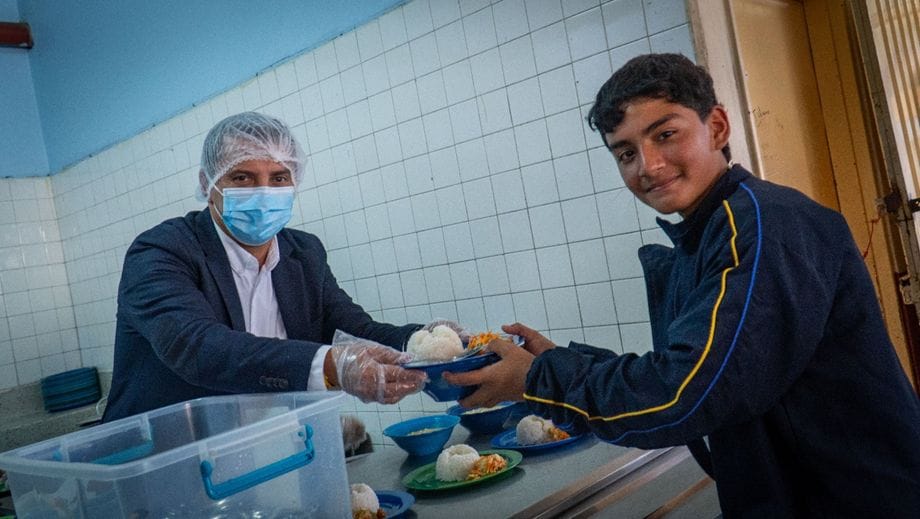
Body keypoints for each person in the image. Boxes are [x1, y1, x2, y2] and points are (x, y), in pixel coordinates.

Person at [444, 54, 920, 516]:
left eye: (665, 134)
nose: (646, 166)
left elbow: (688, 391)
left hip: (857, 497)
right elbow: (692, 366)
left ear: (716, 127)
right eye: (626, 153)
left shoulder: (765, 225)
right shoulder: (707, 235)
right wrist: (556, 362)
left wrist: (535, 380)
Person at [103, 112, 441, 421]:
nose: (263, 191)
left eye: (279, 178)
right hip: (166, 457)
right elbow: (197, 346)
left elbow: (355, 332)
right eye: (242, 177)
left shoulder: (304, 253)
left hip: (269, 451)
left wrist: (425, 342)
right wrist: (329, 365)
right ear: (208, 185)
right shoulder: (161, 251)